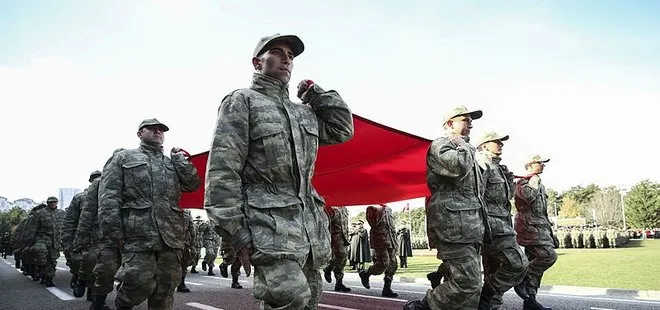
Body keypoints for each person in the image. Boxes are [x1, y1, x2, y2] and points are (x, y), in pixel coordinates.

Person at [204, 33, 354, 310]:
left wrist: (317, 95)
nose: (286, 58)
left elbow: (342, 129)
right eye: (276, 51)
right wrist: (235, 232)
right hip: (266, 226)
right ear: (256, 62)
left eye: (291, 55)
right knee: (289, 297)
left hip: (306, 228)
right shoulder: (242, 101)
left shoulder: (304, 113)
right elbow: (223, 170)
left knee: (309, 300)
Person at [98, 118, 201, 310]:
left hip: (170, 236)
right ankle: (123, 305)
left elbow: (193, 184)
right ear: (139, 134)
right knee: (137, 282)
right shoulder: (123, 158)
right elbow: (109, 196)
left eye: (161, 130)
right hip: (138, 234)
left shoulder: (172, 163)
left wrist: (180, 161)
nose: (157, 132)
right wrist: (112, 231)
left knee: (166, 286)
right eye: (152, 129)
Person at [405, 106, 488, 310]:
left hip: (469, 228)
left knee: (472, 292)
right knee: (468, 282)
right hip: (453, 227)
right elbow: (457, 167)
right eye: (465, 120)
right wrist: (467, 147)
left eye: (471, 120)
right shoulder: (442, 145)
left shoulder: (463, 148)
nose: (470, 124)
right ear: (450, 124)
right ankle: (425, 305)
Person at [475, 131, 529, 309]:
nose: (501, 144)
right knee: (517, 264)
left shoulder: (498, 167)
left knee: (494, 270)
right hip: (492, 226)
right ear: (484, 145)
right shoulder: (482, 164)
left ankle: (489, 304)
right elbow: (477, 196)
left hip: (502, 223)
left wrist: (509, 180)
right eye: (496, 142)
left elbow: (507, 198)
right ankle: (487, 294)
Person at [513, 155, 556, 310]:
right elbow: (528, 197)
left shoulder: (539, 183)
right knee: (548, 256)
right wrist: (534, 182)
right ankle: (521, 278)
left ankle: (530, 300)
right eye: (540, 163)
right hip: (529, 227)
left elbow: (542, 211)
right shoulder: (523, 182)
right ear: (530, 165)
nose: (543, 165)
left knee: (535, 263)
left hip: (540, 227)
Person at [63, 170, 102, 297]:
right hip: (85, 238)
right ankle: (79, 278)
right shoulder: (79, 198)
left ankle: (93, 294)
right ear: (90, 181)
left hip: (104, 238)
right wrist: (68, 243)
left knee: (102, 267)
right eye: (95, 178)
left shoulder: (108, 196)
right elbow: (70, 222)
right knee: (86, 262)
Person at [360, 204, 399, 298]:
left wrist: (395, 242)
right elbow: (374, 222)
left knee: (393, 264)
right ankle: (366, 273)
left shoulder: (388, 209)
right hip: (380, 241)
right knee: (383, 263)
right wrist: (381, 209)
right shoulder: (371, 209)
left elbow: (391, 227)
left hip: (390, 241)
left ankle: (387, 288)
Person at [25, 197, 62, 287]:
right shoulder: (40, 213)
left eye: (55, 202)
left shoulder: (62, 213)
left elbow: (66, 227)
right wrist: (29, 243)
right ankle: (41, 269)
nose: (53, 204)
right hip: (42, 239)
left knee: (52, 261)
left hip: (55, 241)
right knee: (41, 253)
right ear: (48, 203)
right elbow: (32, 229)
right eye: (51, 202)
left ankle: (49, 279)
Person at [322, 206, 351, 292]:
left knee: (343, 260)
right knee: (341, 255)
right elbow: (325, 222)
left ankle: (339, 283)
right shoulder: (330, 207)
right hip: (335, 237)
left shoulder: (344, 209)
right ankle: (328, 268)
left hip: (344, 237)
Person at [177, 210, 197, 293]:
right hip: (168, 240)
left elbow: (191, 227)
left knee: (184, 262)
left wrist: (192, 244)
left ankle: (181, 284)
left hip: (184, 241)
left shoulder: (187, 211)